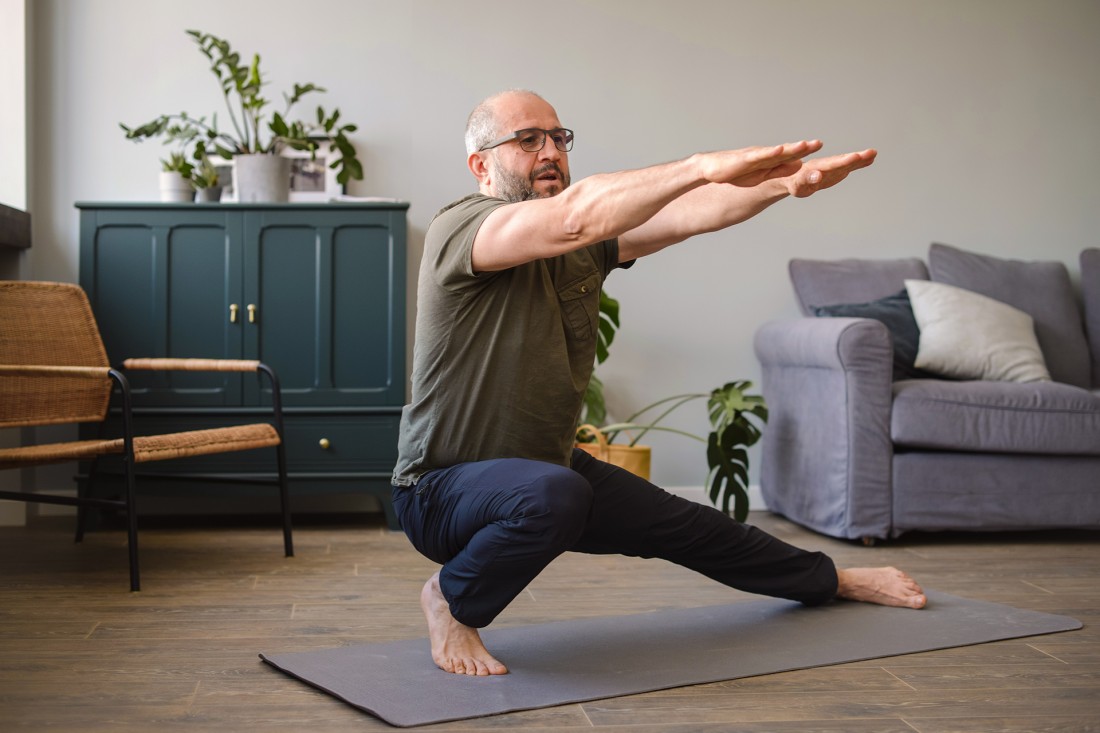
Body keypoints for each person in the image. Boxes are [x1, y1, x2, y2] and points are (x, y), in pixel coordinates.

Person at [391, 89, 926, 677]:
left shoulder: (582, 248)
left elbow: (687, 215)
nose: (550, 151)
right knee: (554, 494)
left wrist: (782, 184)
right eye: (527, 140)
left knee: (690, 527)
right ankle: (451, 599)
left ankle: (834, 579)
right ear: (480, 165)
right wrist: (699, 166)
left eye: (558, 138)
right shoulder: (462, 229)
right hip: (438, 490)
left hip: (544, 472)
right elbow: (577, 216)